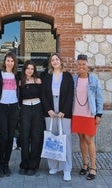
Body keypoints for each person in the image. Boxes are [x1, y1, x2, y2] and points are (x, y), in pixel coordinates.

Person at [41, 53, 74, 181]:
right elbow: (43, 94)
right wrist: (48, 109)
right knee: (52, 138)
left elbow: (70, 94)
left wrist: (64, 111)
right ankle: (53, 166)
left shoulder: (67, 76)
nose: (55, 61)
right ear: (50, 63)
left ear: (61, 61)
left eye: (57, 59)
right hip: (50, 110)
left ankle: (67, 169)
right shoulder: (47, 76)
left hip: (63, 110)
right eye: (52, 60)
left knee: (65, 139)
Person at [71, 54, 103, 180]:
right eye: (79, 64)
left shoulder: (94, 80)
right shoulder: (74, 79)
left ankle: (93, 167)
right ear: (76, 65)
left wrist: (99, 114)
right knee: (81, 138)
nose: (81, 66)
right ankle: (84, 164)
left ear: (87, 65)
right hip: (76, 113)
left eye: (83, 64)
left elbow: (99, 97)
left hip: (89, 113)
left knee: (89, 139)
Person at [0, 52, 20, 178]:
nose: (10, 63)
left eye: (12, 61)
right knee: (4, 137)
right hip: (1, 108)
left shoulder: (17, 76)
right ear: (4, 62)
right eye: (8, 60)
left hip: (13, 108)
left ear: (14, 63)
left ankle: (6, 164)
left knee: (10, 137)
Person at [19, 60, 44, 176]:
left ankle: (33, 166)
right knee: (24, 137)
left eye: (32, 69)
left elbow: (43, 97)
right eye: (28, 68)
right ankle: (24, 164)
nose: (30, 71)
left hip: (37, 109)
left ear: (34, 70)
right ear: (24, 69)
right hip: (25, 109)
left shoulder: (38, 81)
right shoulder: (20, 82)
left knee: (36, 137)